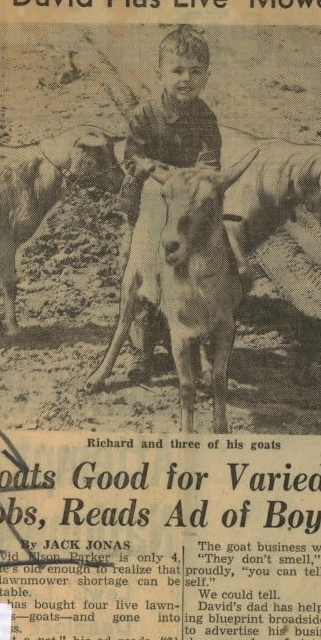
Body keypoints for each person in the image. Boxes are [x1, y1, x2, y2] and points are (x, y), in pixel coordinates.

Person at [118, 26, 222, 383]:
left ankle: (198, 345)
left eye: (195, 71)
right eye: (177, 70)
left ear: (206, 76)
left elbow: (210, 161)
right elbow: (133, 157)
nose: (185, 79)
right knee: (142, 270)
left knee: (199, 267)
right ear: (160, 73)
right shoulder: (144, 116)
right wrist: (157, 172)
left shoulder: (205, 118)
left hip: (186, 211)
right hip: (149, 206)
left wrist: (199, 177)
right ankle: (142, 351)